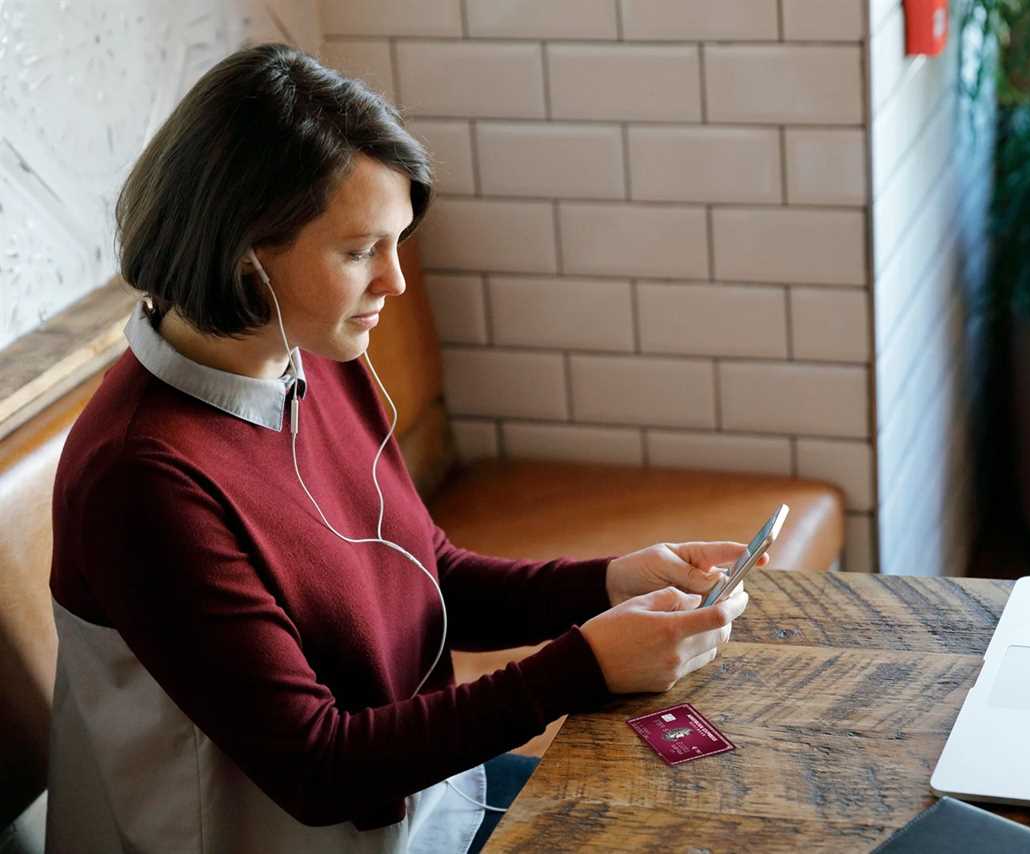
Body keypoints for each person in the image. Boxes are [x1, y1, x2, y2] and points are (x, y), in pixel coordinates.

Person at [45, 42, 756, 854]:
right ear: (244, 257)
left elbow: (427, 576)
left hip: (429, 803)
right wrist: (583, 666)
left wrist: (607, 582)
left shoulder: (305, 352)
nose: (396, 282)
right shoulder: (143, 477)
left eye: (396, 243)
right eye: (359, 251)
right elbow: (319, 768)